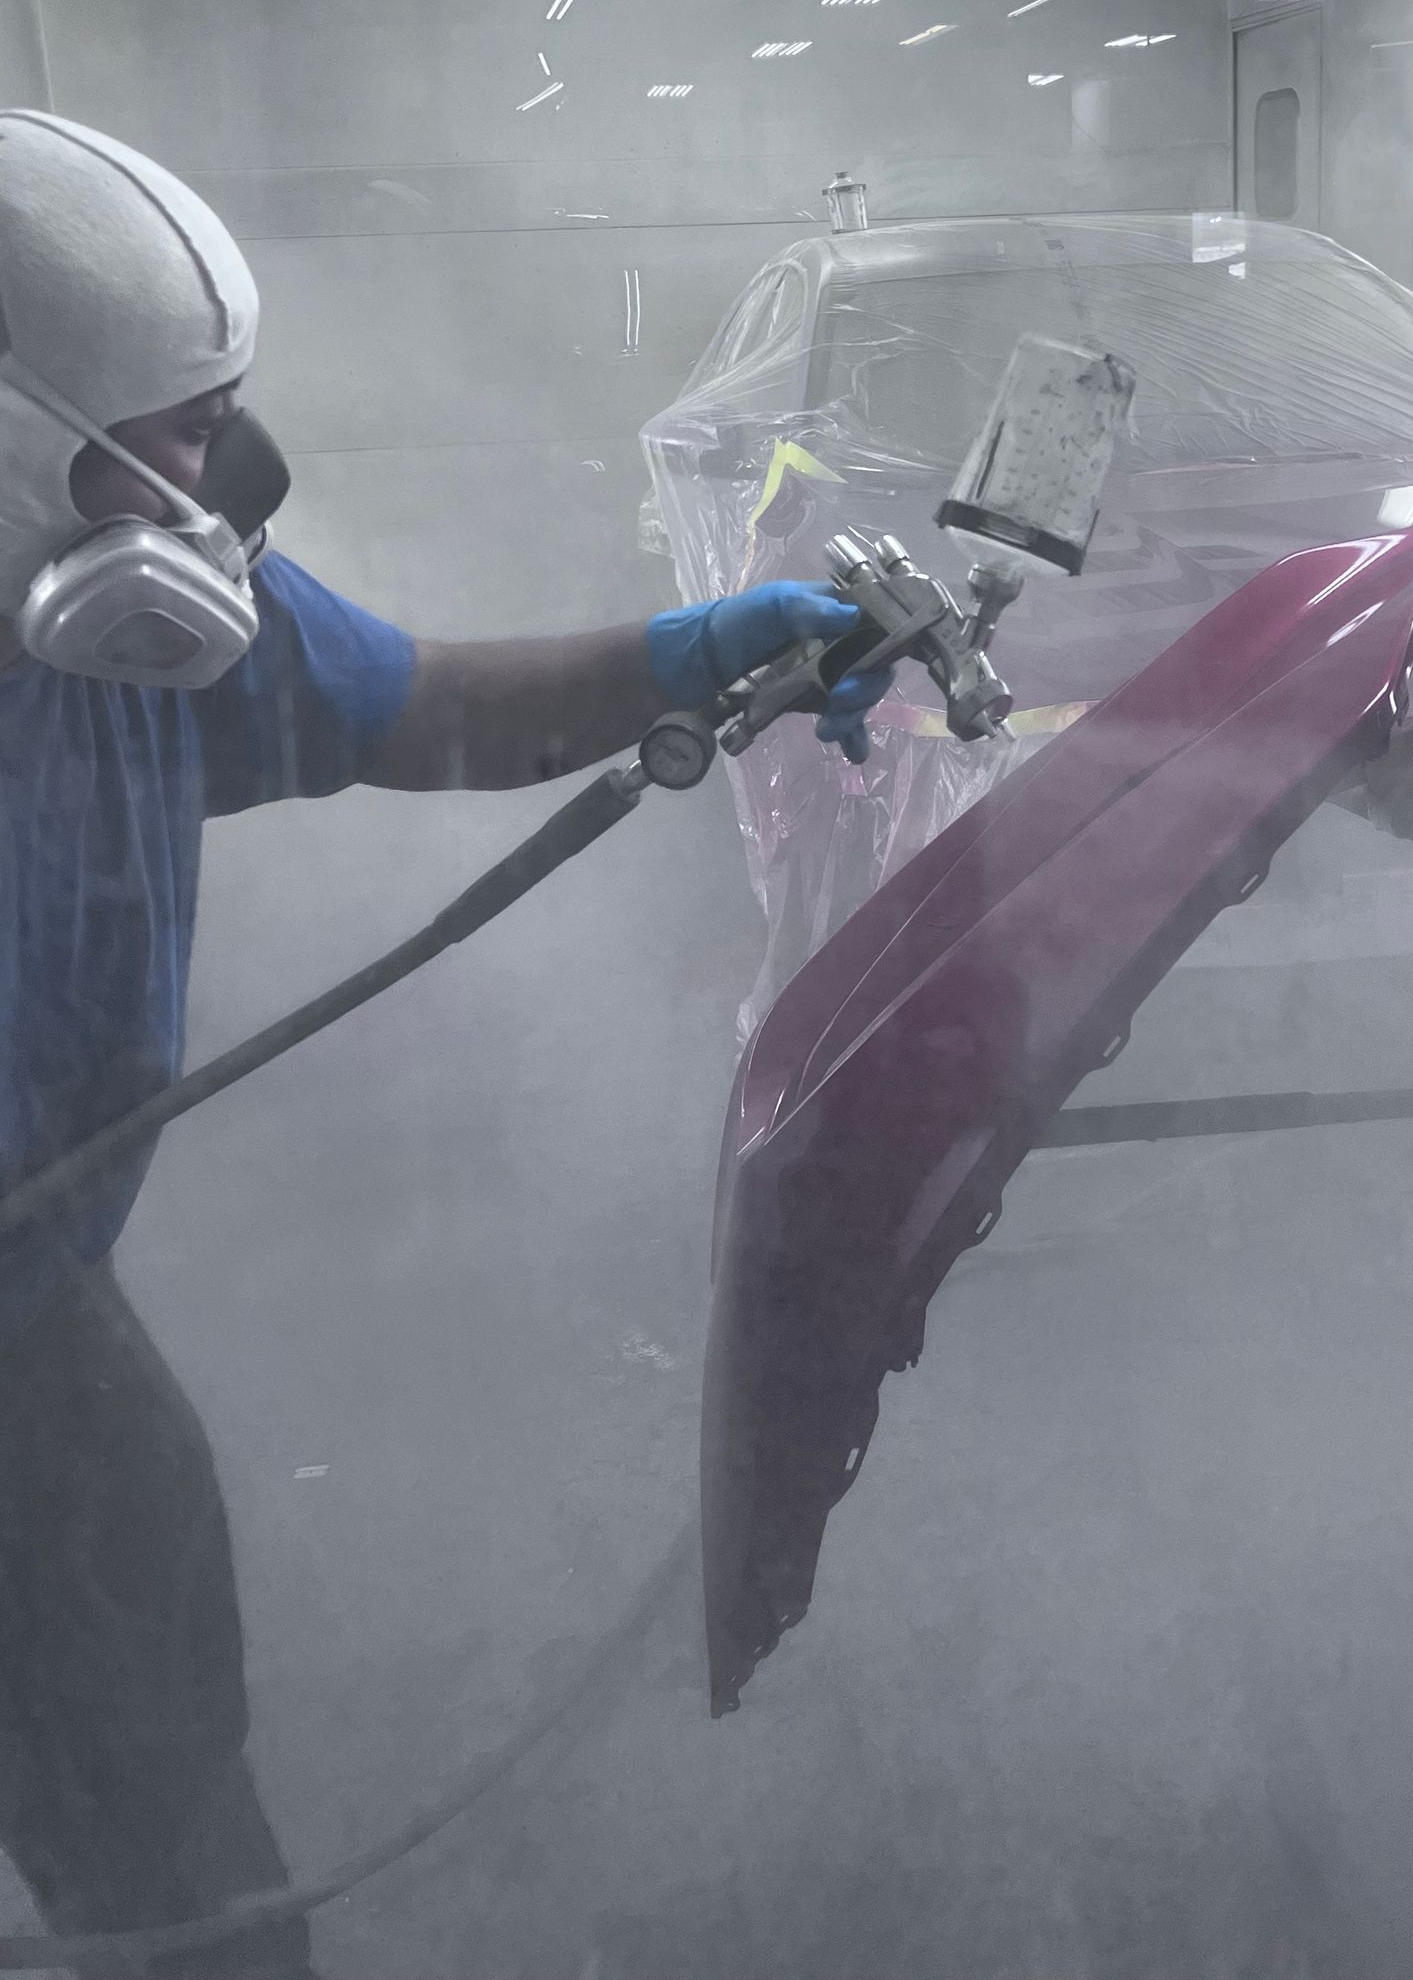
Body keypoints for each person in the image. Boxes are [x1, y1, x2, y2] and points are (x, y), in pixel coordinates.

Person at [0, 110, 886, 1977]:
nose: (226, 483)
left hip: (34, 1297)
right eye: (179, 431)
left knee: (151, 1728)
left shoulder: (148, 622)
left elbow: (423, 710)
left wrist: (694, 654)